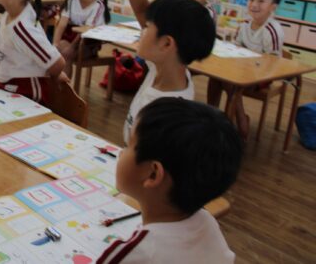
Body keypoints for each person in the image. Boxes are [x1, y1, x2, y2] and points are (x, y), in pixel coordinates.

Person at [97, 97, 242, 264]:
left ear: (153, 174)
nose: (121, 152)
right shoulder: (207, 222)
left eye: (129, 145)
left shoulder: (135, 255)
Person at [112, 0, 215, 144]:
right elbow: (142, 9)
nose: (142, 28)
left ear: (167, 44)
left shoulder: (165, 114)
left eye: (148, 27)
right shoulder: (165, 67)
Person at [207, 0, 284, 138]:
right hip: (241, 69)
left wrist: (247, 65)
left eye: (261, 1)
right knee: (216, 76)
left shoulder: (272, 29)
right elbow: (236, 48)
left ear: (273, 7)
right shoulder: (245, 24)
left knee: (228, 80)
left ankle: (240, 119)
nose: (254, 4)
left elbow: (273, 62)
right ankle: (211, 116)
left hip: (263, 75)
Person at [53, 0, 110, 78]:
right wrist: (54, 44)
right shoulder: (72, 0)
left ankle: (63, 86)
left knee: (66, 54)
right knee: (59, 48)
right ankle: (59, 84)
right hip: (70, 38)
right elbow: (62, 24)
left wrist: (71, 48)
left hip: (88, 43)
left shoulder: (98, 6)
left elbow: (85, 31)